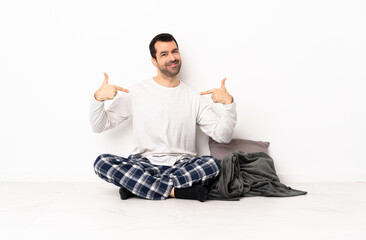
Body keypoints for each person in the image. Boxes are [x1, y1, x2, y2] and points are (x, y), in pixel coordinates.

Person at [90, 33, 237, 202]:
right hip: (142, 165)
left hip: (181, 166)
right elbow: (99, 126)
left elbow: (223, 137)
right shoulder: (136, 92)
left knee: (212, 164)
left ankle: (138, 187)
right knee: (102, 162)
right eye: (164, 54)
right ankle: (177, 192)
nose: (172, 58)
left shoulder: (193, 97)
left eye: (175, 51)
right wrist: (97, 99)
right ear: (154, 61)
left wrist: (229, 105)